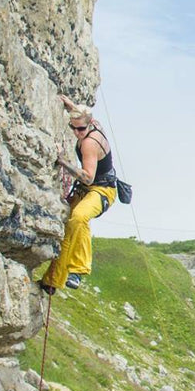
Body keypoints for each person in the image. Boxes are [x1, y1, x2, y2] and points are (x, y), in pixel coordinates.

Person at [39, 95, 117, 296]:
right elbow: (84, 117)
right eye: (73, 128)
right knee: (69, 230)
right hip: (86, 190)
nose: (76, 132)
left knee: (79, 218)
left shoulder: (89, 143)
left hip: (101, 190)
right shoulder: (92, 124)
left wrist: (62, 161)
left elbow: (88, 177)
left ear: (89, 126)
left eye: (80, 129)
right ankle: (52, 280)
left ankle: (79, 269)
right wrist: (71, 105)